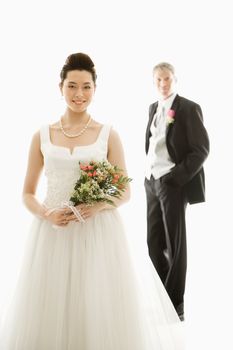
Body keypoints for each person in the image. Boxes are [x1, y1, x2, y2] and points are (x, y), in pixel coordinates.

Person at [0, 53, 184, 349]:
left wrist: (99, 205)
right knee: (53, 306)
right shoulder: (41, 135)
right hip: (53, 234)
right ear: (60, 87)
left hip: (99, 234)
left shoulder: (108, 135)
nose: (79, 94)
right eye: (72, 86)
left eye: (86, 87)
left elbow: (125, 191)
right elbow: (27, 194)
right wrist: (47, 215)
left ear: (95, 90)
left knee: (97, 308)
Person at [144, 62, 210, 321]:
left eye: (167, 79)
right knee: (153, 242)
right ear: (154, 82)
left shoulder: (188, 108)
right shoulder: (152, 108)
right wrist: (150, 177)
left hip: (172, 183)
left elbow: (201, 149)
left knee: (175, 244)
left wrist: (177, 177)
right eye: (159, 80)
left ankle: (175, 306)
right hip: (151, 182)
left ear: (175, 79)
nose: (163, 84)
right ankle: (160, 298)